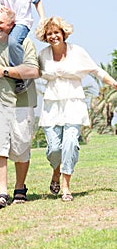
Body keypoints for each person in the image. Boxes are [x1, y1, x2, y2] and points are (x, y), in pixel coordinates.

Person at [35, 16, 117, 201]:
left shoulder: (77, 51)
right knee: (54, 149)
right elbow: (31, 72)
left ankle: (65, 186)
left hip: (74, 104)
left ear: (63, 33)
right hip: (51, 107)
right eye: (49, 34)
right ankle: (56, 171)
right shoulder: (42, 55)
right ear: (45, 36)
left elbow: (96, 70)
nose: (53, 36)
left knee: (70, 143)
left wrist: (113, 83)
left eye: (56, 32)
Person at [0, 8, 39, 209]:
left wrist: (5, 71)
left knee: (21, 148)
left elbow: (33, 70)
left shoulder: (24, 43)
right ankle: (2, 193)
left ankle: (20, 188)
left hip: (23, 103)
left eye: (0, 23)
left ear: (11, 25)